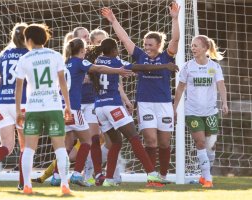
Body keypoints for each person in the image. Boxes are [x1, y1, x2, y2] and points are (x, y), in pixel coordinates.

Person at [101, 2, 180, 186]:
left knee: (164, 143)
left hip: (164, 104)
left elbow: (175, 40)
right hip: (144, 103)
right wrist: (113, 21)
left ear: (159, 45)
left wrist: (175, 19)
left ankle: (162, 176)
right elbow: (125, 39)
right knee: (151, 140)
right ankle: (151, 179)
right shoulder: (140, 56)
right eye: (145, 44)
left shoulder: (166, 57)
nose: (147, 47)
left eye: (151, 45)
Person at [63, 37, 132, 186]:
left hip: (91, 104)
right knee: (77, 143)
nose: (88, 40)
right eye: (85, 37)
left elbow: (117, 86)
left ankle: (98, 173)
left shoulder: (77, 61)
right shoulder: (83, 61)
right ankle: (79, 173)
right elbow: (93, 70)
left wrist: (126, 101)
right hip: (77, 105)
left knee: (95, 140)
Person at [15, 23, 72, 195]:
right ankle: (65, 184)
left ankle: (27, 185)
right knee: (60, 147)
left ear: (29, 40)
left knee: (29, 149)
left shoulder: (25, 59)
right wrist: (67, 106)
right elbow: (62, 82)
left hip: (33, 108)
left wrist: (18, 110)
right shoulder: (55, 56)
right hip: (53, 107)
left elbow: (19, 86)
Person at [173, 35, 228, 188]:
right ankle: (208, 178)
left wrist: (224, 103)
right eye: (192, 45)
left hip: (211, 112)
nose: (193, 48)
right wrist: (174, 107)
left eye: (196, 45)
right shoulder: (187, 66)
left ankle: (204, 175)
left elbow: (221, 85)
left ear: (205, 48)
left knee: (211, 145)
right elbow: (180, 88)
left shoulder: (215, 67)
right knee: (200, 142)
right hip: (193, 112)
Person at [0, 23, 28, 190]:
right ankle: (23, 183)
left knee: (7, 146)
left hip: (3, 102)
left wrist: (7, 85)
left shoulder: (4, 54)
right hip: (22, 102)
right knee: (25, 146)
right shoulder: (29, 54)